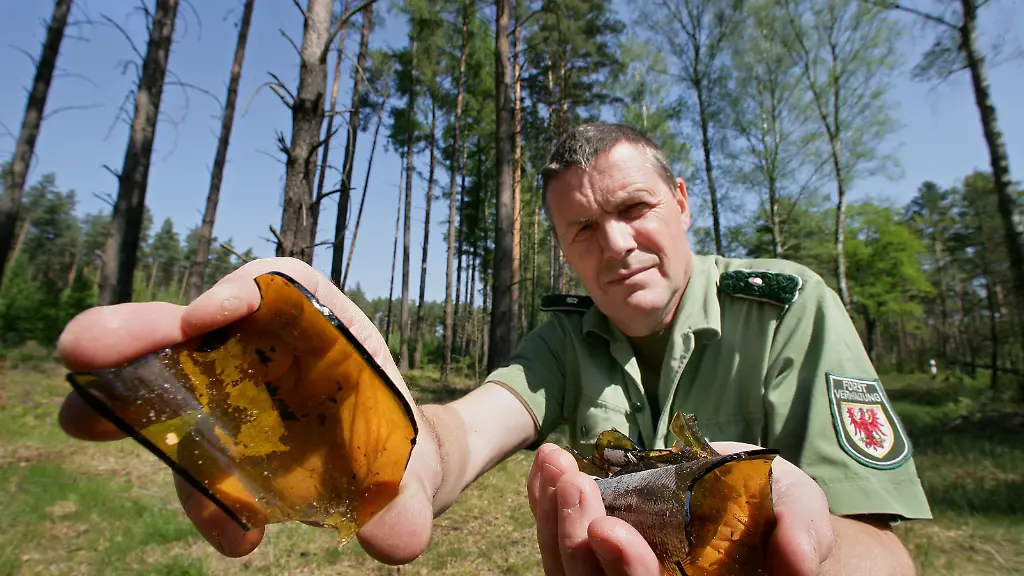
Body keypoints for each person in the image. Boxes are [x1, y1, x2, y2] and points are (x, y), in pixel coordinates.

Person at [56, 123, 930, 575]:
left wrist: (800, 543)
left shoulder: (786, 309)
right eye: (583, 228)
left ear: (683, 203)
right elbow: (461, 434)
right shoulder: (565, 339)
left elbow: (890, 557)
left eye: (633, 209)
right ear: (563, 247)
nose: (616, 244)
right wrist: (390, 449)